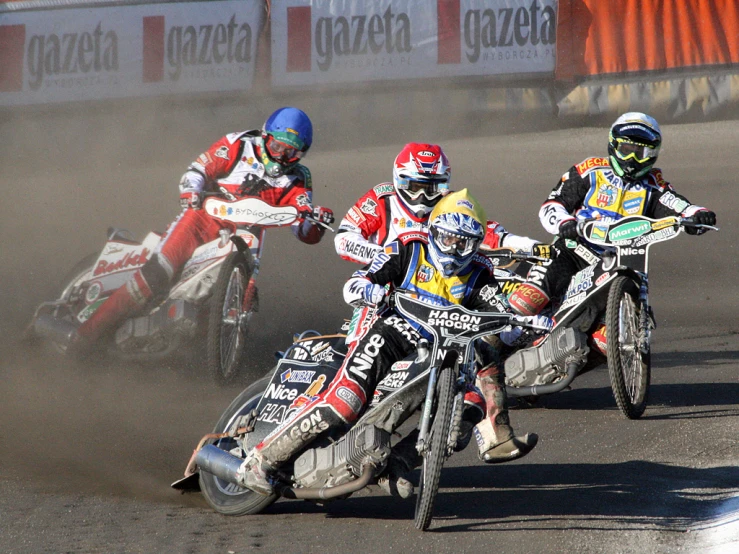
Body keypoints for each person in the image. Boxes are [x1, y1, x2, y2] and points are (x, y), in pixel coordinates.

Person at [238, 189, 539, 498]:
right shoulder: (408, 247)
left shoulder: (480, 271)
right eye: (449, 238)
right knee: (345, 400)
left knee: (471, 405)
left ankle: (396, 464)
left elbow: (499, 308)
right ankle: (262, 460)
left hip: (442, 348)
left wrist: (523, 321)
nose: (455, 248)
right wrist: (368, 291)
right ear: (434, 230)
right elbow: (358, 282)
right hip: (392, 335)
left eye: (465, 242)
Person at [69, 107, 334, 348]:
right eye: (277, 146)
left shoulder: (299, 178)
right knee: (159, 271)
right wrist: (191, 190)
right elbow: (199, 168)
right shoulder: (238, 144)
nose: (282, 157)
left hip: (248, 232)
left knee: (214, 303)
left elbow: (302, 225)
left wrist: (315, 222)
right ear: (266, 137)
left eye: (292, 152)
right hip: (202, 218)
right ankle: (84, 337)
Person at [508, 112, 717, 319]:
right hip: (574, 249)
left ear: (653, 154)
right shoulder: (590, 171)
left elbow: (678, 205)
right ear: (613, 145)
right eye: (626, 149)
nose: (632, 158)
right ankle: (494, 338)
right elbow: (552, 204)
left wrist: (698, 215)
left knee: (604, 344)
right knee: (526, 302)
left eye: (640, 152)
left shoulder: (654, 185)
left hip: (621, 261)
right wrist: (565, 223)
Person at [335, 142, 552, 266]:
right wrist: (382, 256)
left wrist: (537, 248)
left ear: (444, 184)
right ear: (398, 179)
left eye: (431, 188)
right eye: (414, 187)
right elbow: (344, 238)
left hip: (443, 293)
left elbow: (494, 235)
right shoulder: (382, 198)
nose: (422, 196)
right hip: (386, 289)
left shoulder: (452, 203)